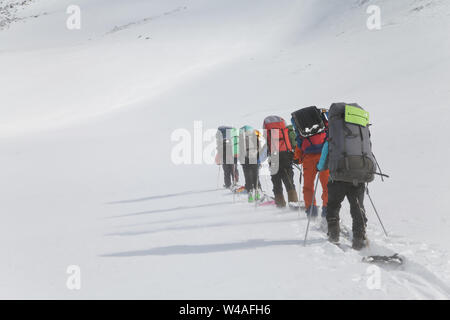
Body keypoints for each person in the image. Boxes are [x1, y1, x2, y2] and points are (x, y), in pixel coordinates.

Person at [316, 103, 374, 250]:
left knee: (333, 206)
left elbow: (323, 159)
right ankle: (359, 239)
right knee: (357, 208)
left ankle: (334, 235)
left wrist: (320, 167)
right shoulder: (361, 131)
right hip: (359, 175)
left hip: (338, 177)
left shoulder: (334, 135)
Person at [291, 109, 329, 218]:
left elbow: (299, 142)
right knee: (326, 185)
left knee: (308, 186)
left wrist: (297, 158)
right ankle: (327, 211)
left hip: (308, 159)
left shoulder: (301, 127)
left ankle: (312, 212)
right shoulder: (322, 123)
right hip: (324, 155)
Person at [263, 116, 298, 208]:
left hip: (274, 157)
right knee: (289, 181)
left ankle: (280, 205)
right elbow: (293, 142)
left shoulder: (267, 129)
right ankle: (293, 203)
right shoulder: (284, 127)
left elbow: (265, 146)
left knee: (276, 182)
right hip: (286, 155)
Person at [238, 125, 264, 202]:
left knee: (248, 176)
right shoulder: (255, 136)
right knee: (256, 175)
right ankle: (257, 191)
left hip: (246, 159)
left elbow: (241, 150)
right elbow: (260, 148)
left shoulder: (242, 138)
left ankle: (250, 193)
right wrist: (259, 160)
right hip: (255, 158)